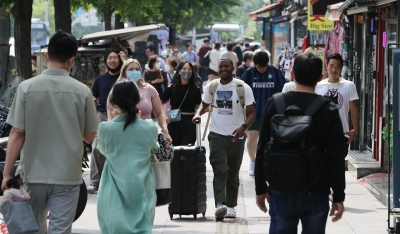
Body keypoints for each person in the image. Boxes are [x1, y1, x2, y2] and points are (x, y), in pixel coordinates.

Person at [1, 30, 98, 233]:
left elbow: (17, 133)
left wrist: (7, 174)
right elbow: (89, 137)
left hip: (33, 174)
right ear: (72, 60)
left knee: (31, 229)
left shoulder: (27, 88)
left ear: (46, 56)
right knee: (61, 230)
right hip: (67, 176)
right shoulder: (83, 92)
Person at [255, 52, 345, 233]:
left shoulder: (275, 103)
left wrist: (260, 187)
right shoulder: (329, 109)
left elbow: (262, 146)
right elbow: (336, 156)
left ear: (293, 75)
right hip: (317, 189)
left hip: (281, 187)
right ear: (320, 77)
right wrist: (338, 195)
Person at [193, 59, 256, 221]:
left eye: (226, 66)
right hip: (216, 134)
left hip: (237, 136)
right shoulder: (211, 86)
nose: (223, 69)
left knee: (233, 172)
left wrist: (243, 128)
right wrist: (199, 113)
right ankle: (220, 204)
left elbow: (252, 113)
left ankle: (231, 206)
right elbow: (204, 104)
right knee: (220, 170)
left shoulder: (242, 87)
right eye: (220, 66)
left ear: (233, 68)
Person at [97, 79, 159, 233]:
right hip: (143, 187)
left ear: (113, 102)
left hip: (113, 188)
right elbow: (153, 149)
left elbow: (104, 150)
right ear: (138, 100)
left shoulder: (105, 129)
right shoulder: (150, 128)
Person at [107, 58, 172, 143]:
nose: (134, 71)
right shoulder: (116, 90)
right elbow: (111, 116)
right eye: (131, 69)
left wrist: (165, 131)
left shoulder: (149, 89)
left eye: (137, 69)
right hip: (124, 137)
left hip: (147, 135)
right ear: (124, 72)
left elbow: (160, 113)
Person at [241, 51, 285, 176]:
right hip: (253, 113)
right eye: (259, 67)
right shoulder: (249, 73)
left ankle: (269, 161)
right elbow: (242, 91)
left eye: (264, 67)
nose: (262, 69)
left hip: (272, 113)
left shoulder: (275, 72)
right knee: (252, 138)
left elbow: (283, 90)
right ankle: (253, 161)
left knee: (270, 140)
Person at [88, 49, 123, 193]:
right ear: (106, 61)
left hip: (121, 117)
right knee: (97, 147)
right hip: (102, 116)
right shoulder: (100, 79)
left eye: (115, 58)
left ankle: (117, 181)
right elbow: (93, 95)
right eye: (110, 58)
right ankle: (95, 181)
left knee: (118, 148)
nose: (112, 60)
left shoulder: (123, 78)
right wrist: (94, 100)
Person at [315, 53, 359, 157]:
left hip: (341, 133)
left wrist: (355, 130)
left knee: (338, 165)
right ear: (326, 66)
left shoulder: (349, 85)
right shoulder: (317, 86)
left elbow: (354, 109)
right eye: (331, 66)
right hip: (321, 133)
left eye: (338, 67)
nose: (334, 70)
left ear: (341, 68)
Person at [160, 62, 202, 146]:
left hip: (190, 123)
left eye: (189, 69)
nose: (187, 71)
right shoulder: (172, 87)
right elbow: (160, 101)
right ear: (179, 71)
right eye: (184, 69)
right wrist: (164, 115)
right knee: (174, 149)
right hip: (174, 122)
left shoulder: (196, 88)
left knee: (188, 150)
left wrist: (203, 110)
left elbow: (199, 105)